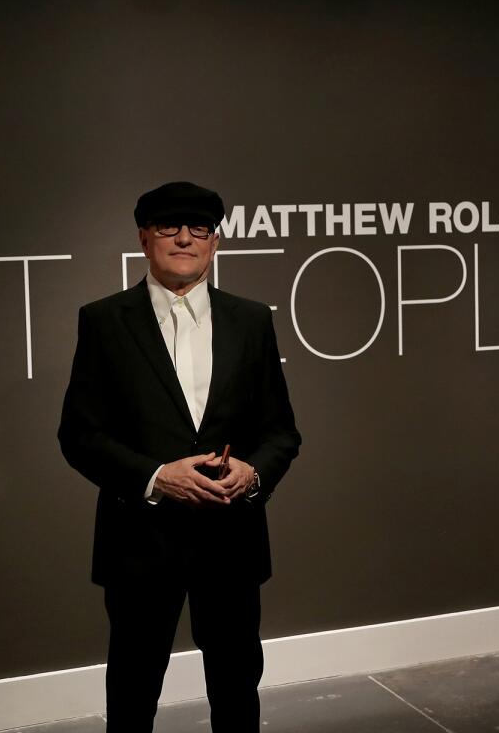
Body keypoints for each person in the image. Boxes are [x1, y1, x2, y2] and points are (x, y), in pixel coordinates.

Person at [58, 181, 301, 731]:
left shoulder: (251, 320)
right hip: (141, 542)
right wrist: (156, 476)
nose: (185, 238)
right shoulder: (104, 321)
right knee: (133, 689)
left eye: (199, 228)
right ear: (145, 238)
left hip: (231, 539)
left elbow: (281, 432)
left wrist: (253, 471)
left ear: (214, 242)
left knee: (238, 687)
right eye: (169, 226)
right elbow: (79, 434)